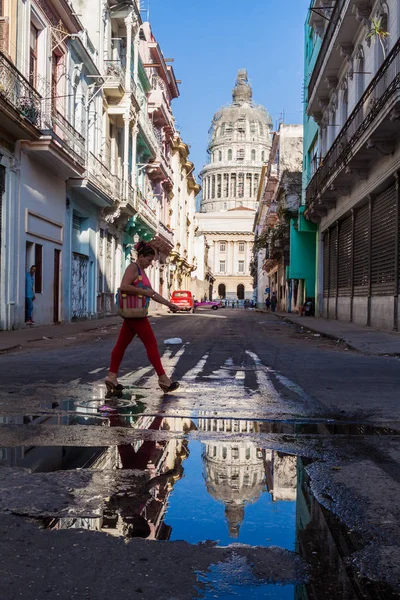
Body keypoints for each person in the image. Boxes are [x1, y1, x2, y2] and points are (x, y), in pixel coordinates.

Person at [105, 241, 180, 396]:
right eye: (148, 260)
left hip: (135, 314)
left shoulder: (141, 271)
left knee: (121, 345)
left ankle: (112, 376)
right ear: (140, 256)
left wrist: (169, 304)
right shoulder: (133, 268)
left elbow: (152, 293)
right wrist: (142, 292)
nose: (149, 263)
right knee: (151, 344)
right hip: (136, 314)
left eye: (151, 260)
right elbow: (124, 286)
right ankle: (163, 379)